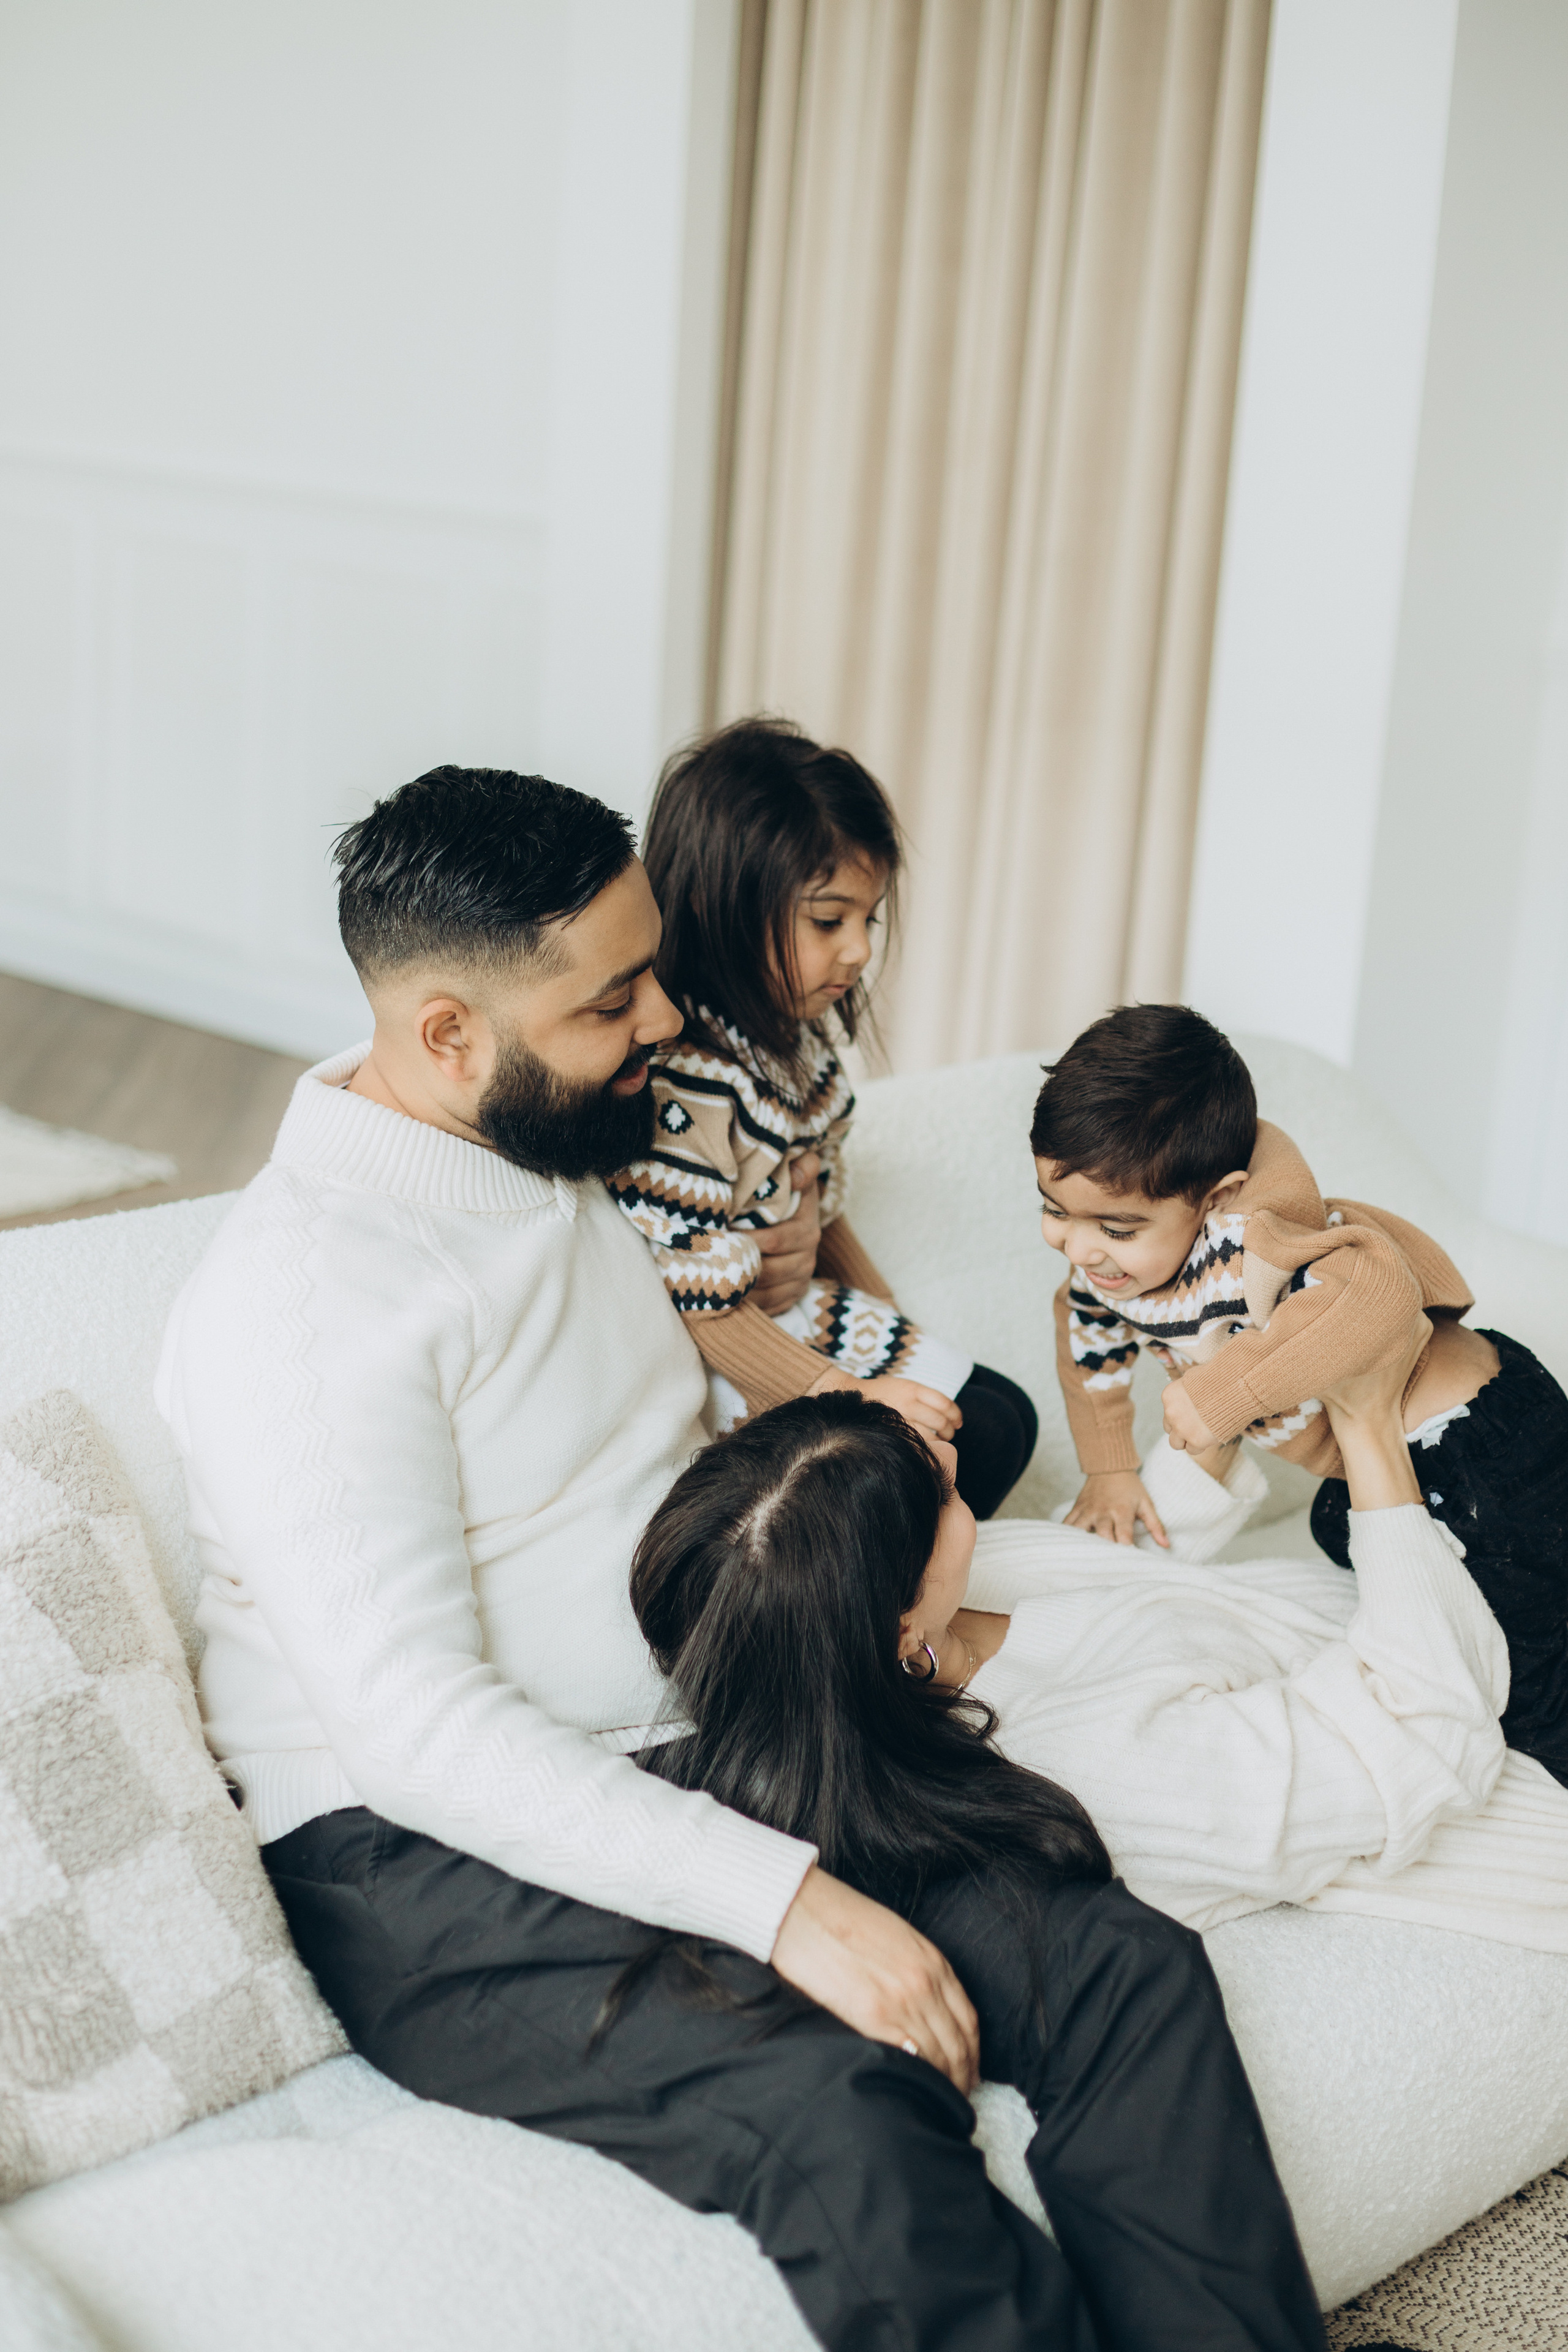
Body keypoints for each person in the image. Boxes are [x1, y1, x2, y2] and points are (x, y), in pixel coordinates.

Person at [157, 764, 1324, 2352]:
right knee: (848, 2111)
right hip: (412, 1846)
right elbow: (412, 1730)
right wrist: (786, 1906)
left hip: (694, 1738)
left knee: (1118, 1964)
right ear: (446, 1035)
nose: (664, 1021)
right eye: (614, 1001)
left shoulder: (557, 1142)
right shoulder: (299, 1309)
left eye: (647, 973)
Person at [630, 1332, 1568, 1966]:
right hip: (1517, 1757)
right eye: (945, 1496)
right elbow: (1424, 1731)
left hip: (1432, 1622)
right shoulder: (1096, 1766)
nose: (948, 1452)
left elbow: (1125, 1582)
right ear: (899, 1626)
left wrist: (1219, 1401)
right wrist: (1367, 1435)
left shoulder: (929, 1610)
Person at [1035, 1002, 1568, 1785]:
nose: (1080, 1249)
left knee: (1527, 1698)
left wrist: (1225, 1392)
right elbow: (1088, 1348)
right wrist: (1110, 1466)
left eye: (1116, 1230)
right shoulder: (1108, 1274)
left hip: (1482, 1447)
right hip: (1384, 1469)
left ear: (1216, 1197)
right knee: (1343, 1534)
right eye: (1053, 1211)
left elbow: (1372, 1293)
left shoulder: (1258, 1239)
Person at [605, 717, 1037, 1519]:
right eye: (829, 920)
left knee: (1001, 1418)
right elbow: (705, 1306)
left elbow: (820, 1208)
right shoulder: (689, 1087)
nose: (861, 951)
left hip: (808, 1325)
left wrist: (895, 1327)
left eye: (869, 920)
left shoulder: (790, 1054)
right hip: (748, 1367)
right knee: (975, 1435)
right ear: (717, 903)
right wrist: (854, 1395)